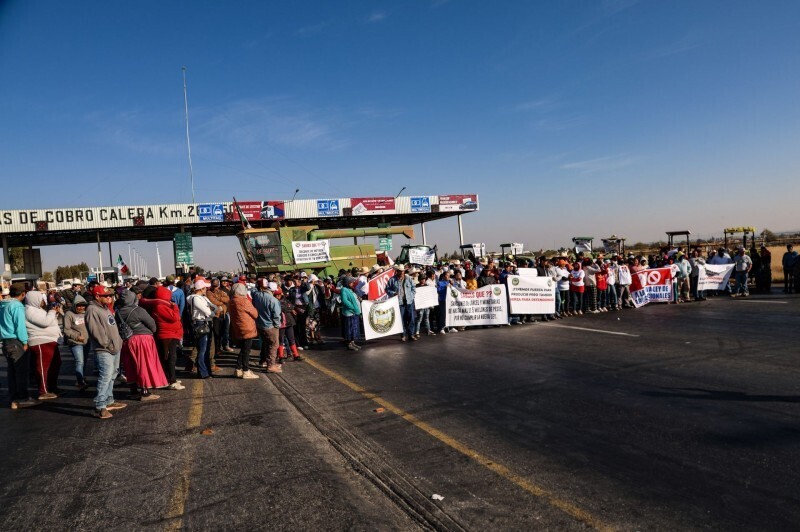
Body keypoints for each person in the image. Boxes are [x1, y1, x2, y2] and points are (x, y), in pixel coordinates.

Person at [117, 289, 168, 400]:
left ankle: (133, 390)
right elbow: (152, 325)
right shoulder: (138, 310)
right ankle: (145, 391)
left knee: (131, 366)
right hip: (142, 340)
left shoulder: (119, 312)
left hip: (127, 341)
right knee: (144, 365)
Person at [84, 284, 126, 419]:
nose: (109, 297)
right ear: (97, 296)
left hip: (114, 347)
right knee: (105, 376)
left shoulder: (105, 308)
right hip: (104, 349)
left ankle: (109, 400)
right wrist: (108, 344)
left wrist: (118, 343)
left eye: (110, 295)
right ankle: (100, 406)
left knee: (113, 374)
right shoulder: (92, 310)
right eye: (106, 296)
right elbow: (96, 331)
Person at [1, 285, 40, 409]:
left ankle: (14, 398)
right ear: (23, 294)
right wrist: (24, 341)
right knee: (21, 371)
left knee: (12, 372)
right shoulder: (17, 306)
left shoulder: (3, 305)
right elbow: (20, 326)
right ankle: (22, 398)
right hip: (16, 341)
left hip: (6, 342)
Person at [139, 286, 185, 390]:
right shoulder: (160, 306)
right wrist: (175, 307)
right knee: (170, 358)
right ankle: (171, 381)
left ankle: (170, 378)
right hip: (167, 334)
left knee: (170, 357)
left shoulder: (161, 305)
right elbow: (175, 317)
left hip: (170, 333)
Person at [24, 290, 63, 400]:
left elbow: (50, 321)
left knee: (56, 364)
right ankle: (43, 391)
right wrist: (51, 312)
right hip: (40, 341)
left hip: (50, 340)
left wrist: (55, 313)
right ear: (34, 299)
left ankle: (52, 387)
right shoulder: (29, 311)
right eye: (40, 298)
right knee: (43, 367)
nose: (43, 301)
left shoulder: (38, 310)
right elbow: (44, 322)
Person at [227, 282, 259, 379]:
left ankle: (238, 368)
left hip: (238, 328)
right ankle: (246, 370)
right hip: (247, 328)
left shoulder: (231, 301)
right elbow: (255, 314)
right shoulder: (244, 301)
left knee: (243, 349)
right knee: (246, 350)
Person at [187, 279, 217, 379]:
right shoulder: (196, 299)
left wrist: (213, 309)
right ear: (201, 289)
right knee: (203, 349)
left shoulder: (202, 298)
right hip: (201, 323)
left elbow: (213, 307)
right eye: (205, 288)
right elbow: (208, 311)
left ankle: (206, 371)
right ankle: (203, 372)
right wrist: (213, 312)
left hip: (205, 323)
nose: (206, 289)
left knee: (206, 349)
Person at [251, 278, 282, 373]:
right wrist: (277, 325)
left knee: (266, 343)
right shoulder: (273, 300)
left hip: (259, 324)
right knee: (273, 345)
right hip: (270, 326)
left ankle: (265, 361)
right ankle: (271, 365)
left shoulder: (257, 296)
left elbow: (253, 291)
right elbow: (276, 315)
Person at [63, 294, 90, 390]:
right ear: (74, 305)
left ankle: (81, 377)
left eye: (83, 305)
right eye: (79, 305)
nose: (81, 307)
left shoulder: (87, 313)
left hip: (87, 342)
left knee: (84, 362)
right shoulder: (69, 314)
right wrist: (77, 337)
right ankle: (80, 382)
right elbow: (66, 330)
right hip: (75, 343)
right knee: (80, 362)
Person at [386, 266, 417, 341]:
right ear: (397, 271)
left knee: (411, 319)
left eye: (403, 271)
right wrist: (393, 293)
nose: (402, 272)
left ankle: (411, 335)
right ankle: (403, 335)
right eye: (400, 271)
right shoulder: (392, 280)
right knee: (401, 319)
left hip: (409, 302)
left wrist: (411, 296)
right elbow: (387, 289)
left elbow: (413, 288)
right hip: (399, 303)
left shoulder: (408, 278)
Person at [340, 276, 362, 351]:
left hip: (354, 312)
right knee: (350, 329)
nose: (353, 283)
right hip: (350, 313)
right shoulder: (344, 290)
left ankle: (352, 342)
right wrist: (352, 308)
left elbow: (354, 298)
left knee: (354, 328)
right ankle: (349, 344)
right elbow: (344, 301)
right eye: (351, 282)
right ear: (347, 283)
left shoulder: (350, 289)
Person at [415, 270, 437, 338]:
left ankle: (428, 330)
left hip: (426, 305)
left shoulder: (427, 286)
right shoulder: (416, 287)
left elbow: (430, 295)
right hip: (420, 306)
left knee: (426, 318)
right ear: (419, 280)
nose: (423, 280)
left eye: (424, 279)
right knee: (419, 319)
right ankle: (417, 331)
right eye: (422, 279)